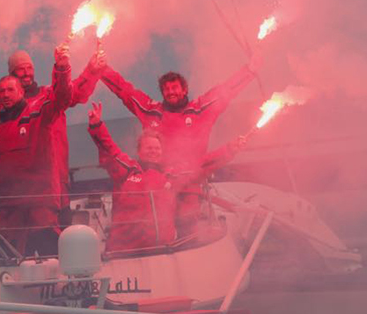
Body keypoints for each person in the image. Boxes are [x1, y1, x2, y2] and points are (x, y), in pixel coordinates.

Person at [98, 51, 261, 234]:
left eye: (174, 88)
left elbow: (225, 91)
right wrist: (102, 70)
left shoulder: (200, 109)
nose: (170, 92)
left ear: (184, 90)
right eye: (166, 89)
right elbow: (125, 91)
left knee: (187, 225)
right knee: (156, 227)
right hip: (159, 185)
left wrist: (250, 71)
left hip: (190, 184)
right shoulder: (151, 111)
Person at [87, 102, 245, 252]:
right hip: (122, 254)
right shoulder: (127, 170)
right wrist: (96, 125)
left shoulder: (171, 176)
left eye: (157, 148)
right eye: (149, 147)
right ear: (139, 151)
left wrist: (230, 149)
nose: (153, 151)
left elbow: (201, 164)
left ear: (162, 152)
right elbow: (109, 150)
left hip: (162, 252)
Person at [0, 48, 105, 221]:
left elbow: (72, 92)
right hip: (17, 195)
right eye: (20, 69)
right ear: (11, 73)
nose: (26, 73)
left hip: (56, 184)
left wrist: (91, 71)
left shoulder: (49, 97)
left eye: (29, 68)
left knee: (57, 240)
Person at [0, 43, 75, 255]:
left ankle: (63, 285)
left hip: (40, 203)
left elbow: (62, 98)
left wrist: (62, 68)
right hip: (11, 207)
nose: (5, 95)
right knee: (7, 256)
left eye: (10, 90)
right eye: (1, 91)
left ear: (21, 92)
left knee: (52, 254)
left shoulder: (38, 114)